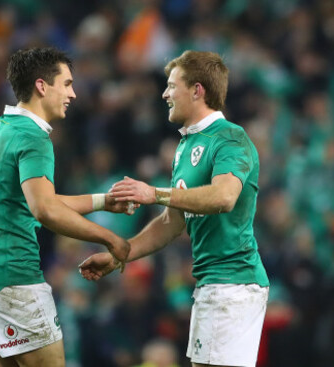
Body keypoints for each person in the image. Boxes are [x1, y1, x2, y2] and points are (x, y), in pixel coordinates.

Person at [80, 50, 270, 367]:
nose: (165, 93)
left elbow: (224, 197)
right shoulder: (185, 148)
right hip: (210, 284)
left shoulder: (231, 138)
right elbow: (171, 221)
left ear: (197, 90)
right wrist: (119, 255)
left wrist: (154, 193)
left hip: (234, 285)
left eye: (172, 86)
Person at [0, 47, 132, 367]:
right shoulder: (33, 137)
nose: (73, 93)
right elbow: (45, 211)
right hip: (12, 279)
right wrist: (108, 238)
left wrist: (102, 202)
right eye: (66, 84)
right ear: (42, 86)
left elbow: (35, 199)